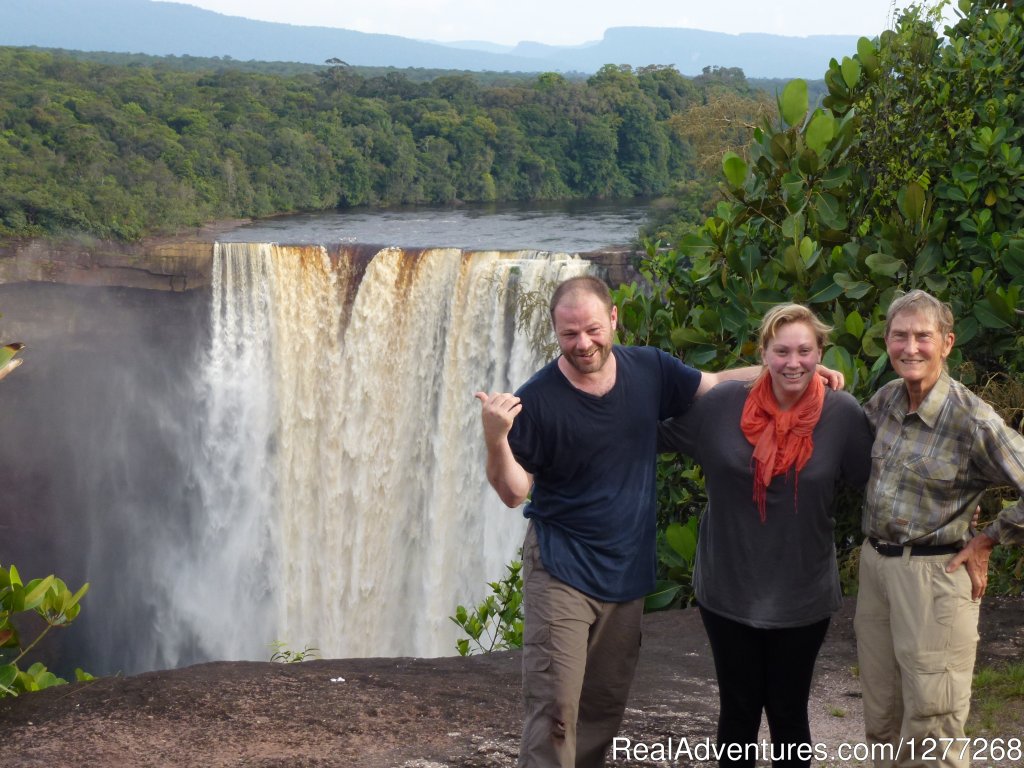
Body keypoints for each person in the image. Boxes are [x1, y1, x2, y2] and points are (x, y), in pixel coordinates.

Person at [475, 276, 842, 768]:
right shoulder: (538, 399)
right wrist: (496, 438)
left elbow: (713, 385)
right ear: (556, 334)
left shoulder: (647, 369)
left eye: (591, 329)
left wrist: (789, 372)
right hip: (561, 565)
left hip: (625, 574)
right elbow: (514, 491)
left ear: (612, 319)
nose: (583, 344)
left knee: (603, 708)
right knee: (555, 710)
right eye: (569, 335)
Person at [657, 304, 873, 768]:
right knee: (737, 714)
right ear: (763, 354)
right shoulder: (720, 406)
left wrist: (960, 509)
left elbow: (876, 480)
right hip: (728, 589)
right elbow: (645, 433)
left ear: (821, 353)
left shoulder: (842, 414)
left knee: (789, 715)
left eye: (804, 351)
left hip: (802, 594)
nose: (793, 362)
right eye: (781, 351)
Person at [854, 289, 1024, 768]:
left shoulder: (972, 419)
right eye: (899, 335)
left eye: (923, 336)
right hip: (877, 571)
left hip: (935, 576)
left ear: (947, 343)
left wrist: (989, 538)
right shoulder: (885, 400)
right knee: (882, 718)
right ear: (886, 340)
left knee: (934, 725)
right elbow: (842, 444)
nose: (910, 347)